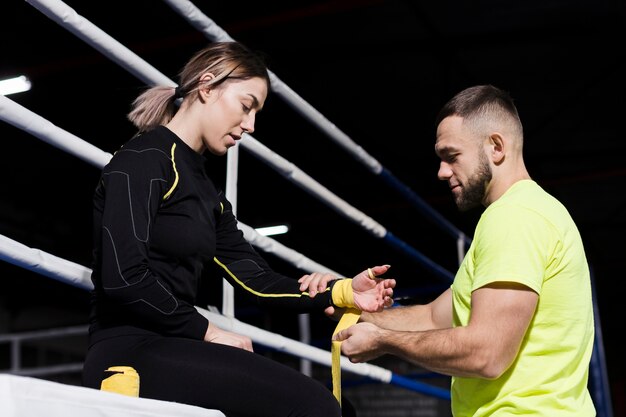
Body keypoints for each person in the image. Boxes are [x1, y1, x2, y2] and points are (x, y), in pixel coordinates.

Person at [82, 41, 396, 417]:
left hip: (179, 345)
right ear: (207, 85)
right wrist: (208, 331)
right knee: (315, 407)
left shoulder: (207, 192)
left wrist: (341, 292)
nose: (250, 125)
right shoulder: (143, 159)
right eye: (246, 106)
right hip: (129, 351)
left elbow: (256, 281)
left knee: (338, 408)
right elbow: (123, 276)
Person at [333, 85, 596, 416]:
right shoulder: (532, 212)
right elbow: (432, 316)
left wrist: (384, 342)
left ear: (496, 147)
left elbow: (486, 354)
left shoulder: (514, 217)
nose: (442, 172)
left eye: (451, 156)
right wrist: (348, 305)